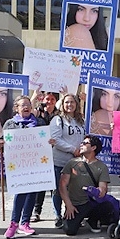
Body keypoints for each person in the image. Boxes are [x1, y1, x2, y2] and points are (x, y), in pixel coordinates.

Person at [0, 95, 54, 239]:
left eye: (28, 104)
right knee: (20, 192)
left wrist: (50, 142)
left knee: (33, 192)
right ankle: (14, 223)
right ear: (16, 108)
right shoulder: (10, 124)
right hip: (19, 165)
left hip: (36, 163)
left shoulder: (39, 123)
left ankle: (25, 223)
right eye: (23, 105)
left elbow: (45, 141)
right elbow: (1, 140)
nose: (26, 107)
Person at [59, 135, 115, 235]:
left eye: (85, 143)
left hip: (91, 202)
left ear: (93, 148)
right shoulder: (72, 163)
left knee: (108, 205)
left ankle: (93, 220)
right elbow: (62, 185)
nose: (81, 145)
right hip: (75, 205)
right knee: (70, 230)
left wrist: (98, 191)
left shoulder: (102, 167)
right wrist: (68, 205)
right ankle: (75, 218)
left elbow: (103, 189)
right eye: (81, 143)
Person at [48, 93, 85, 228]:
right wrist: (72, 149)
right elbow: (55, 140)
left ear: (76, 104)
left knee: (74, 190)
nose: (70, 105)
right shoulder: (58, 120)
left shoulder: (81, 120)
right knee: (58, 189)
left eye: (72, 102)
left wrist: (82, 150)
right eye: (67, 102)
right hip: (60, 161)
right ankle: (57, 215)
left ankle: (71, 214)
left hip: (77, 162)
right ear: (62, 105)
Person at [31, 91, 61, 221]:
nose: (49, 101)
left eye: (52, 99)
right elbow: (28, 107)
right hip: (40, 152)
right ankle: (36, 211)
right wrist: (35, 94)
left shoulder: (59, 114)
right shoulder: (38, 112)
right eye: (47, 99)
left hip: (55, 152)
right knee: (40, 184)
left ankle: (57, 213)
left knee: (55, 185)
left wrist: (65, 93)